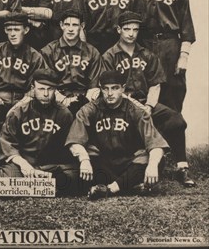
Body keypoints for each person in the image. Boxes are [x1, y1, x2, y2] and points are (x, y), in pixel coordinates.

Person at [102, 11, 195, 187]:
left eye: (135, 30)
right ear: (118, 30)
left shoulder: (147, 54)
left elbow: (155, 84)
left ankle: (181, 167)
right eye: (127, 29)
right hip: (121, 105)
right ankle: (138, 172)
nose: (131, 33)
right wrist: (137, 107)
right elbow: (110, 89)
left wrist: (150, 106)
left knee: (177, 121)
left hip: (145, 101)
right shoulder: (109, 56)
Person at [66, 70, 169, 199]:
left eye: (115, 88)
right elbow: (74, 140)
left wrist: (153, 165)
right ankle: (129, 187)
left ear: (123, 88)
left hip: (128, 163)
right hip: (103, 162)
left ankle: (109, 188)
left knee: (156, 161)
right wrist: (85, 160)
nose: (110, 94)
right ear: (100, 89)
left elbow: (155, 143)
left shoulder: (136, 111)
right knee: (81, 161)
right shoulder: (89, 109)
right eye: (105, 89)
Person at [0, 69, 80, 195]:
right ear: (33, 88)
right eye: (41, 89)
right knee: (6, 179)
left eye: (50, 89)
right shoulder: (18, 112)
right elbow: (7, 143)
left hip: (50, 165)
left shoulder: (64, 114)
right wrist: (24, 165)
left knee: (75, 177)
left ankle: (35, 184)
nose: (46, 94)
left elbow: (68, 148)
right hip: (24, 164)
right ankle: (46, 185)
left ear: (55, 90)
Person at [0, 12, 46, 170]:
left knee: (28, 116)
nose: (12, 33)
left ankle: (20, 160)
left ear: (26, 30)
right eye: (9, 29)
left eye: (16, 29)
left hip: (23, 99)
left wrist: (23, 102)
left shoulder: (35, 56)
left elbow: (36, 86)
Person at [136, 0, 195, 113]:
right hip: (144, 45)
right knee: (143, 96)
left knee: (173, 96)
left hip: (170, 47)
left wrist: (183, 57)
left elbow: (187, 28)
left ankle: (173, 138)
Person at [40, 10, 102, 114]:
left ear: (81, 26)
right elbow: (45, 83)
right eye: (67, 24)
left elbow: (94, 86)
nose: (70, 29)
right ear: (61, 25)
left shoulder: (92, 52)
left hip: (85, 101)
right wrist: (64, 101)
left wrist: (84, 103)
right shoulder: (48, 51)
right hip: (56, 101)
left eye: (74, 25)